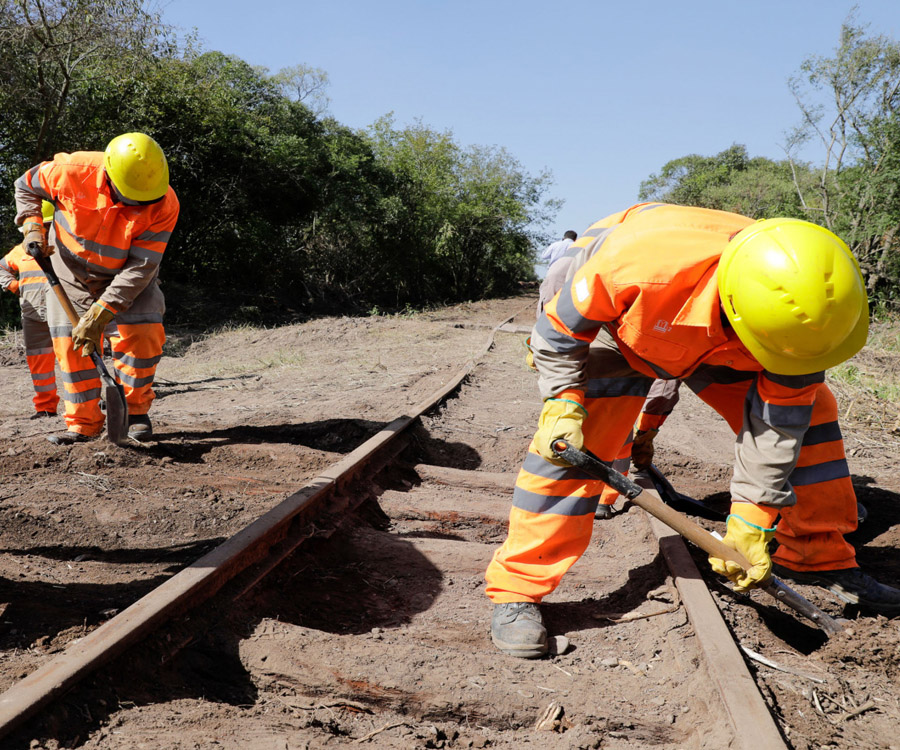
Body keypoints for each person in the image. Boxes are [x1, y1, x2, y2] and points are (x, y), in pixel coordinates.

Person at [487, 202, 900, 659]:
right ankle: (517, 589)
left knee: (812, 418)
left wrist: (751, 519)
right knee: (578, 439)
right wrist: (564, 401)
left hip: (724, 339)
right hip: (615, 326)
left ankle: (814, 554)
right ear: (734, 311)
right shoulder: (629, 267)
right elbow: (559, 334)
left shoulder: (810, 322)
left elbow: (776, 429)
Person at [15, 132, 180, 444]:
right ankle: (83, 425)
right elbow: (25, 186)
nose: (138, 206)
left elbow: (140, 268)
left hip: (128, 276)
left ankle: (134, 411)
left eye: (144, 201)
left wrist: (101, 313)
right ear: (109, 176)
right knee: (69, 342)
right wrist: (33, 224)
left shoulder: (165, 204)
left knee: (143, 332)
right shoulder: (72, 170)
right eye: (131, 199)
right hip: (70, 272)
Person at [0, 201, 60, 418]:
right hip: (33, 316)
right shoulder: (19, 251)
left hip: (64, 314)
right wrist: (14, 286)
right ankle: (45, 408)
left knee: (77, 359)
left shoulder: (66, 247)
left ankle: (88, 405)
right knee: (39, 362)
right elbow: (2, 268)